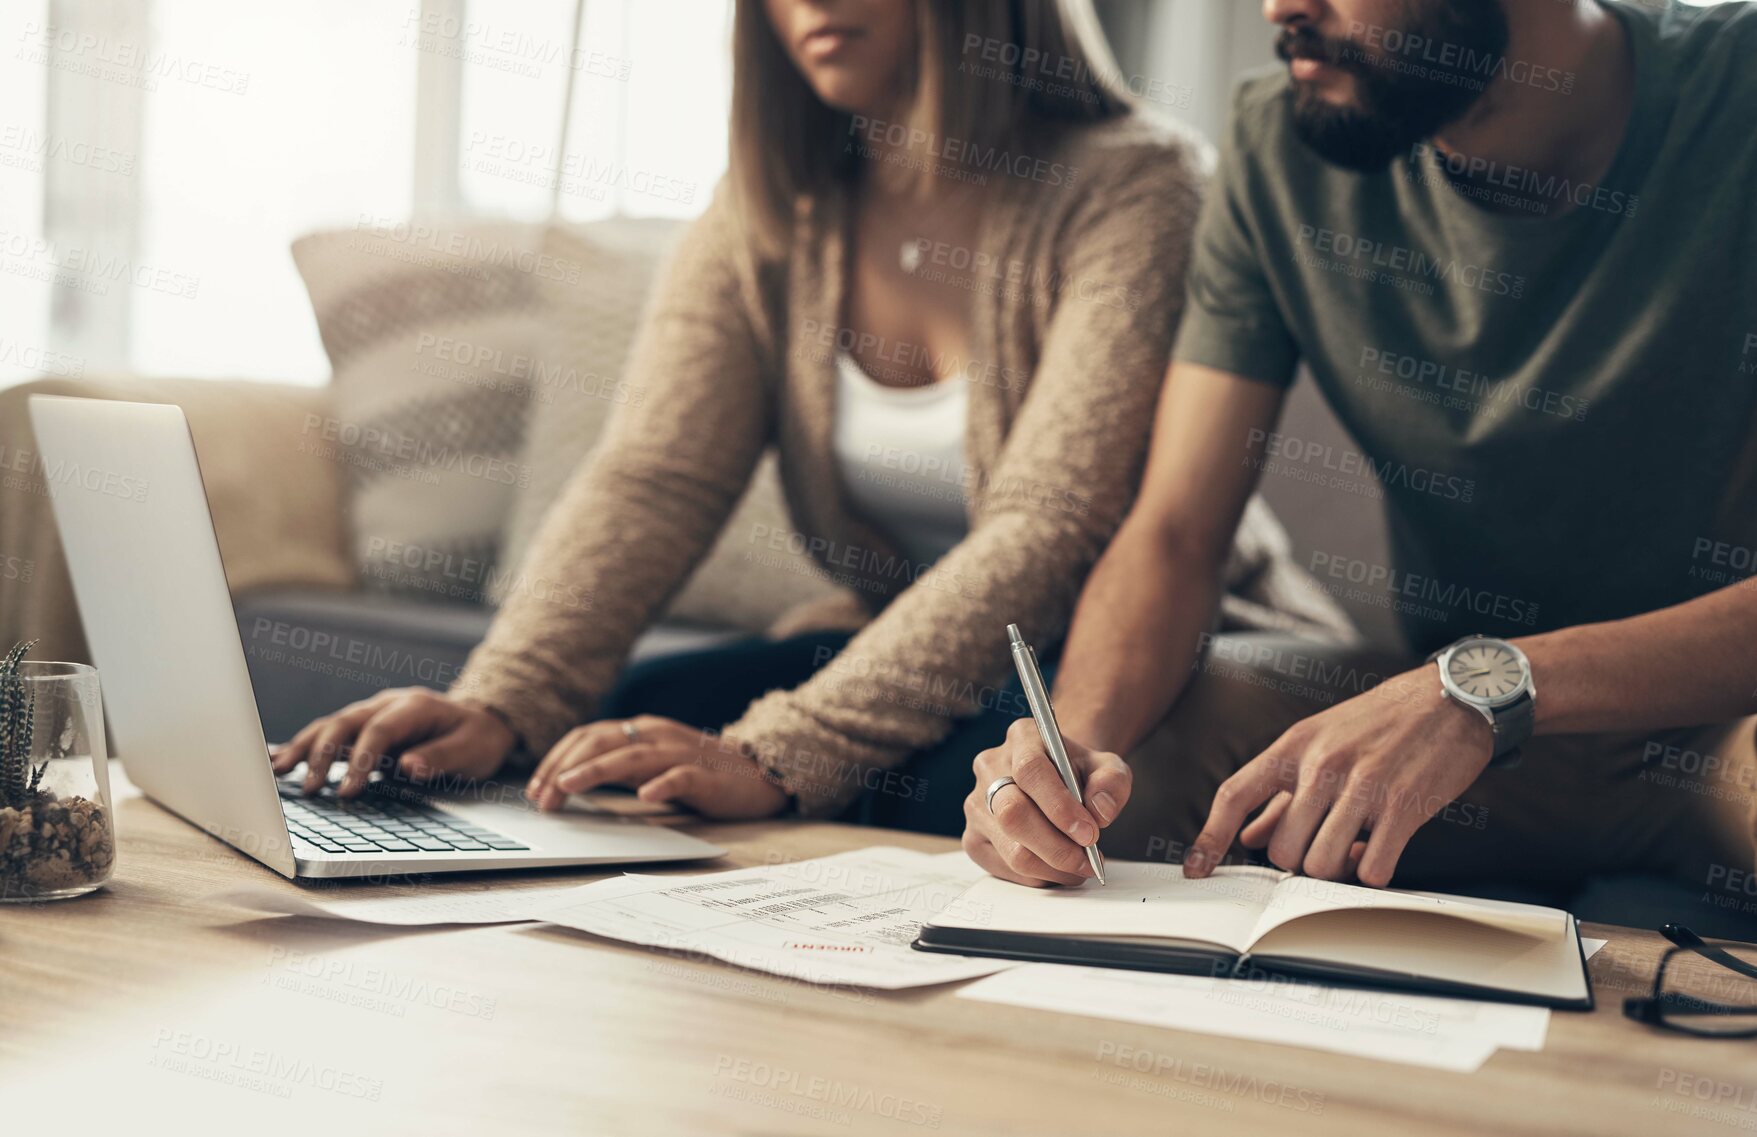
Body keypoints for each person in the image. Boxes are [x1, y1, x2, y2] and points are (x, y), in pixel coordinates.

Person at [271, 0, 1349, 832]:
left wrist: (782, 756)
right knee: (611, 728)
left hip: (1158, 662)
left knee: (940, 778)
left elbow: (1051, 525)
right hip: (912, 649)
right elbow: (655, 479)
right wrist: (504, 701)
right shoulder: (767, 205)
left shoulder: (1137, 187)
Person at [962, 0, 1757, 908]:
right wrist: (1065, 760)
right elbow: (1176, 530)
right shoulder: (1276, 146)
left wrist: (1481, 690)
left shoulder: (1736, 90)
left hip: (1722, 727)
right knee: (1147, 752)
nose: (1279, 9)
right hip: (1467, 739)